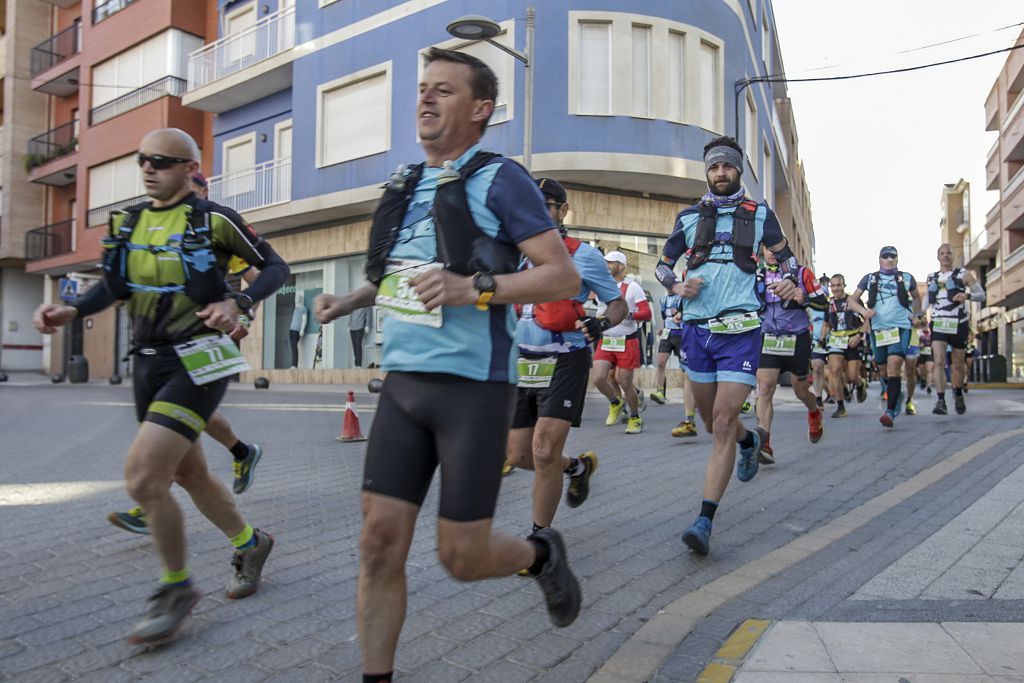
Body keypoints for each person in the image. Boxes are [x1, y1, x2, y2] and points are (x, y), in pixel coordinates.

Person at [312, 48, 582, 683]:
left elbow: (559, 274)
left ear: (480, 108)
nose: (425, 100)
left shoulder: (500, 177)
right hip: (404, 387)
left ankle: (540, 555)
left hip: (474, 390)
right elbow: (406, 278)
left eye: (443, 90)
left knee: (461, 556)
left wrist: (476, 288)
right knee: (378, 544)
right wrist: (351, 297)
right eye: (422, 90)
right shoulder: (407, 182)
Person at [33, 128, 289, 644]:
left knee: (145, 480)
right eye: (143, 159)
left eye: (163, 162)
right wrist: (71, 309)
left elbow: (275, 267)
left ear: (190, 169)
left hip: (198, 361)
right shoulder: (127, 223)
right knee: (190, 474)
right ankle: (250, 541)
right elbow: (115, 285)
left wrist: (238, 303)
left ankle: (176, 587)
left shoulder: (214, 220)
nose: (150, 168)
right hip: (146, 364)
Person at [655, 135, 801, 555]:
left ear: (738, 170)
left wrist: (790, 278)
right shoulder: (687, 217)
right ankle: (748, 442)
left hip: (741, 329)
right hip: (697, 330)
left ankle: (704, 520)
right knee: (708, 420)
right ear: (707, 172)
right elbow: (664, 266)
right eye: (714, 167)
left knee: (721, 421)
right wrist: (678, 284)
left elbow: (787, 258)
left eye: (727, 166)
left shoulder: (760, 215)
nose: (721, 173)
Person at [107, 172, 265, 535]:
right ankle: (238, 454)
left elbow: (258, 277)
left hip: (207, 339)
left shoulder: (213, 227)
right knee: (186, 419)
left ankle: (151, 493)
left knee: (180, 414)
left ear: (202, 192)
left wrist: (242, 309)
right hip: (165, 346)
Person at [505, 176, 626, 544]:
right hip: (521, 362)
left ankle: (540, 539)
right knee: (519, 455)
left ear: (563, 211)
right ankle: (577, 467)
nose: (537, 213)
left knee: (543, 451)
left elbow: (617, 304)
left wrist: (601, 322)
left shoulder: (583, 255)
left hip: (565, 360)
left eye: (547, 205)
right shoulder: (512, 254)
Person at [754, 245, 827, 462]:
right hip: (768, 337)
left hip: (796, 338)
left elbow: (823, 303)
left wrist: (804, 298)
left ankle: (814, 411)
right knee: (765, 388)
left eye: (775, 248)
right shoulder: (756, 273)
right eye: (766, 248)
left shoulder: (802, 273)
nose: (770, 252)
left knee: (800, 390)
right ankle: (764, 442)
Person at [847, 246, 923, 428]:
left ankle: (890, 412)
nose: (889, 259)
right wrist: (864, 312)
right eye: (885, 256)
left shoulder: (907, 278)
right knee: (883, 371)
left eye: (893, 257)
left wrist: (916, 315)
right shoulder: (870, 278)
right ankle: (897, 394)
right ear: (879, 259)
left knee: (894, 367)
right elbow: (852, 301)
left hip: (900, 327)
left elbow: (917, 298)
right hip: (878, 330)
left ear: (897, 259)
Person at [592, 251, 652, 434]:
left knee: (624, 382)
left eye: (610, 263)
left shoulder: (632, 287)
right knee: (599, 378)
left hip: (627, 340)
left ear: (621, 266)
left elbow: (646, 313)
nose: (607, 266)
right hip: (606, 338)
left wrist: (630, 315)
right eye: (605, 263)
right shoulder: (601, 285)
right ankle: (616, 403)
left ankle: (634, 417)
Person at [927, 243, 984, 415]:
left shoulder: (964, 275)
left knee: (958, 364)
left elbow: (981, 295)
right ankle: (940, 400)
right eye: (942, 253)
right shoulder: (932, 277)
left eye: (948, 253)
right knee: (938, 361)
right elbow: (927, 301)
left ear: (953, 256)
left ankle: (958, 393)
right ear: (938, 257)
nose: (945, 256)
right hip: (938, 323)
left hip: (958, 323)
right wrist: (920, 313)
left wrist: (967, 295)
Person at [820, 274, 867, 418]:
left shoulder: (854, 300)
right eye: (833, 286)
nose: (835, 289)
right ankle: (840, 406)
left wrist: (859, 335)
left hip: (852, 340)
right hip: (836, 341)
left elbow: (867, 320)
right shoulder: (828, 304)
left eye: (838, 285)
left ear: (844, 286)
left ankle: (860, 384)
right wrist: (822, 337)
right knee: (834, 371)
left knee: (852, 376)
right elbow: (826, 323)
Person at [651, 291, 684, 404]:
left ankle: (692, 393)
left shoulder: (682, 297)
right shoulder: (663, 299)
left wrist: (681, 314)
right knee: (660, 362)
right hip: (667, 334)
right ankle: (660, 392)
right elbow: (665, 317)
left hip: (680, 334)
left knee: (685, 367)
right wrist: (662, 328)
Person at [809, 275, 830, 408]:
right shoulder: (810, 308)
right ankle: (818, 397)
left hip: (834, 341)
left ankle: (835, 390)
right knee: (817, 368)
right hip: (817, 342)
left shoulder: (831, 306)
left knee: (833, 371)